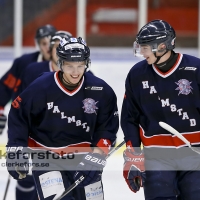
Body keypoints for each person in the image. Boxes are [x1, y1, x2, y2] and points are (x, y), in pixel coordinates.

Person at [6, 37, 119, 200]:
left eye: (80, 66)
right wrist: (16, 148)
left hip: (83, 157)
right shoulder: (42, 86)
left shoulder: (101, 90)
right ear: (61, 63)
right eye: (70, 66)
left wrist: (97, 156)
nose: (75, 72)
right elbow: (19, 113)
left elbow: (107, 127)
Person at [121, 19, 200, 200]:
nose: (141, 51)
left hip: (195, 155)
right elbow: (129, 118)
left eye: (145, 47)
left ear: (162, 46)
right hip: (157, 157)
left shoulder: (195, 69)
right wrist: (133, 155)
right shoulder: (137, 75)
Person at [0, 24, 56, 200]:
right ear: (38, 44)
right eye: (43, 42)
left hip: (52, 135)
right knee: (25, 177)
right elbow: (5, 90)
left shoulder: (68, 66)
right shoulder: (25, 64)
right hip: (27, 131)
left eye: (50, 42)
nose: (47, 47)